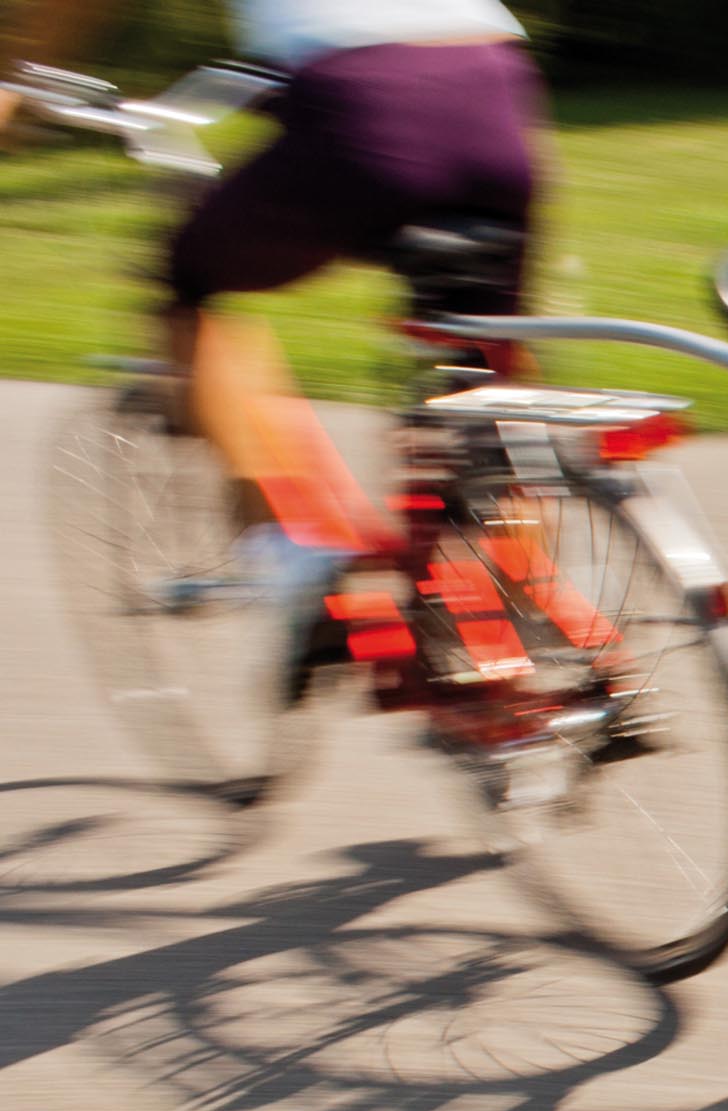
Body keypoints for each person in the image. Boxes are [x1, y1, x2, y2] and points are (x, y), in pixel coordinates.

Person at [1, 0, 547, 694]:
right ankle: (540, 638)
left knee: (186, 282)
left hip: (362, 100)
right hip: (495, 79)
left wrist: (15, 82)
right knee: (486, 391)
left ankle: (297, 561)